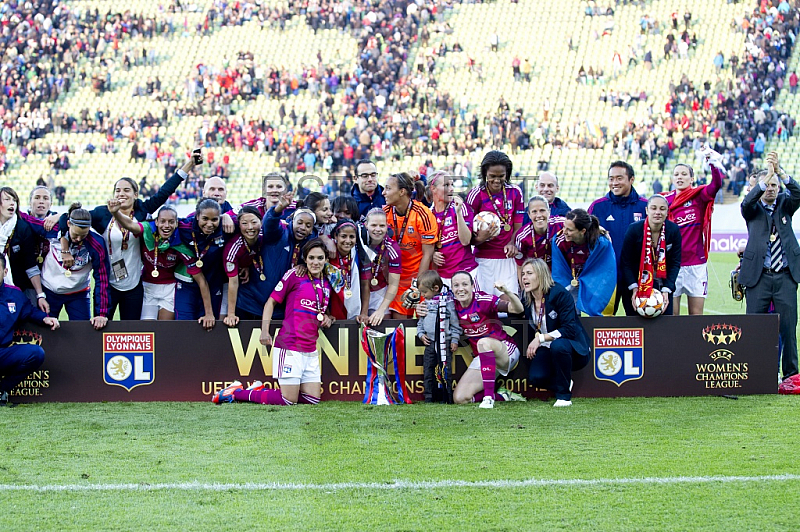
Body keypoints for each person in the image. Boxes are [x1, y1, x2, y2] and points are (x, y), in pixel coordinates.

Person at [45, 151, 198, 320]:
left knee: (131, 331)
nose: (121, 194)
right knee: (102, 327)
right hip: (107, 284)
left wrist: (189, 164)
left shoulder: (143, 210)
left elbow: (166, 190)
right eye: (117, 190)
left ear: (135, 194)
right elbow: (70, 218)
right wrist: (58, 221)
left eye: (126, 190)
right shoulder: (101, 213)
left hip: (133, 285)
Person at [212, 239, 334, 405]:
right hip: (290, 346)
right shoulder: (294, 275)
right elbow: (271, 302)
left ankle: (258, 391)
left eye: (320, 258)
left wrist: (327, 317)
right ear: (305, 259)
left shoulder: (326, 283)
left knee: (312, 399)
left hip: (310, 349)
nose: (315, 262)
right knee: (288, 400)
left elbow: (320, 311)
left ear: (325, 259)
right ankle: (237, 393)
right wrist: (264, 330)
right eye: (311, 258)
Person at [739, 152, 800, 380]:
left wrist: (780, 172)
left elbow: (798, 192)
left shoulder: (786, 205)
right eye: (768, 185)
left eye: (775, 185)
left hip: (785, 275)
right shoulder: (752, 209)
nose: (772, 189)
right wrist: (766, 177)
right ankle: (756, 373)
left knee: (788, 327)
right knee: (754, 328)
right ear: (761, 187)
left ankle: (791, 375)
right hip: (759, 276)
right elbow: (746, 202)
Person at [108, 202, 211, 324]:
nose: (166, 226)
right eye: (162, 221)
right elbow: (130, 225)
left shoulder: (180, 244)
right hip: (147, 288)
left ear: (176, 223)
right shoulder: (147, 231)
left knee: (164, 329)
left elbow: (201, 280)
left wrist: (209, 313)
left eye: (171, 222)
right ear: (156, 222)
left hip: (169, 289)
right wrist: (115, 212)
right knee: (148, 330)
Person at [235, 191, 317, 321]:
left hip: (279, 310)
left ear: (312, 229)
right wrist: (279, 208)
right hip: (249, 304)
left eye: (308, 226)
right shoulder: (280, 232)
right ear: (292, 220)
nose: (303, 228)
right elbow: (269, 224)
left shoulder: (309, 245)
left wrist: (304, 265)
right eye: (299, 222)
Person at [662, 148, 724, 315]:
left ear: (692, 178)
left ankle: (694, 342)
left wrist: (713, 164)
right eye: (676, 174)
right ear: (672, 179)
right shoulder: (663, 200)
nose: (680, 177)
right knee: (671, 318)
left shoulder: (698, 196)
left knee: (696, 318)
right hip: (672, 264)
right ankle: (674, 343)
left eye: (684, 174)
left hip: (696, 265)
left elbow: (716, 185)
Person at [449, 271, 525, 408]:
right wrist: (420, 307)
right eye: (456, 285)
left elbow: (518, 309)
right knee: (460, 398)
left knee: (483, 342)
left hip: (504, 350)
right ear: (452, 289)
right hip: (484, 357)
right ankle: (502, 396)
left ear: (473, 286)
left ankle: (488, 398)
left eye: (465, 284)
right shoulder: (452, 305)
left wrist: (507, 291)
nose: (460, 289)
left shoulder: (483, 300)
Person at [520, 258, 590, 407]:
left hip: (572, 347)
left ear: (541, 275)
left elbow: (569, 329)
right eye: (523, 274)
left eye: (529, 273)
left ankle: (564, 397)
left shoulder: (559, 294)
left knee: (558, 345)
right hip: (546, 347)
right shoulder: (526, 298)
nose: (524, 277)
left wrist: (540, 338)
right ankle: (562, 383)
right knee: (536, 378)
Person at [34, 203, 111, 329]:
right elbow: (30, 221)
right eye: (75, 235)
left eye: (84, 235)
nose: (79, 238)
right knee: (45, 332)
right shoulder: (53, 230)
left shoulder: (97, 244)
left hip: (78, 293)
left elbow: (102, 278)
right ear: (68, 224)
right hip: (50, 290)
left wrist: (101, 313)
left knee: (82, 333)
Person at [588, 160, 648, 315]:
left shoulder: (645, 206)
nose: (614, 182)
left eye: (619, 178)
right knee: (602, 326)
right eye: (611, 178)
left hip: (637, 279)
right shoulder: (598, 207)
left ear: (631, 179)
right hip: (606, 279)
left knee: (640, 323)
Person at [0, 253, 59, 407]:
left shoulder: (14, 295)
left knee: (35, 353)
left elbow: (30, 311)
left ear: (5, 272)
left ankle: (2, 390)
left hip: (3, 353)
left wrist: (44, 318)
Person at [466, 150, 525, 297]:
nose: (497, 180)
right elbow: (466, 236)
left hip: (507, 260)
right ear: (485, 172)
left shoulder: (515, 192)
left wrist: (512, 243)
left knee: (510, 305)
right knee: (485, 306)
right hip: (483, 260)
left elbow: (518, 226)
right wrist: (480, 238)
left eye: (501, 176)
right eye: (492, 176)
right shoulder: (476, 194)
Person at [382, 172, 437, 318]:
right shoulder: (384, 213)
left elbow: (428, 254)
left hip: (420, 279)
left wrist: (417, 286)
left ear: (402, 192)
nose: (383, 192)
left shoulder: (423, 214)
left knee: (423, 325)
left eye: (388, 188)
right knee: (399, 328)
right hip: (396, 279)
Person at [620, 195, 682, 316]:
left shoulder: (673, 230)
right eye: (653, 208)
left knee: (663, 327)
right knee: (637, 327)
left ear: (667, 211)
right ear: (647, 210)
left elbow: (675, 262)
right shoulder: (634, 230)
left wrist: (666, 290)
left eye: (662, 209)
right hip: (636, 284)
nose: (658, 212)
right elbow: (625, 262)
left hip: (662, 285)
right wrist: (634, 288)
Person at [173, 199, 228, 326]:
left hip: (213, 283)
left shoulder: (226, 230)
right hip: (187, 283)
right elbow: (159, 224)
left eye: (214, 219)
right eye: (205, 219)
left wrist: (246, 265)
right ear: (197, 216)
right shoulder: (183, 227)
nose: (209, 224)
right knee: (184, 325)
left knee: (209, 326)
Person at [552, 209, 617, 315]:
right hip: (569, 280)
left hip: (592, 281)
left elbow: (605, 270)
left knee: (595, 312)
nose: (564, 232)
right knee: (568, 314)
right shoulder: (559, 241)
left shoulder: (600, 242)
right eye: (564, 227)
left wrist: (585, 281)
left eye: (570, 230)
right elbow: (559, 269)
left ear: (582, 231)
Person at [0, 187, 49, 312]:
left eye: (15, 200)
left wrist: (40, 295)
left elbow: (30, 264)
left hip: (21, 286)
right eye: (7, 199)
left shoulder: (22, 228)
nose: (12, 203)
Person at [416, 270, 461, 403]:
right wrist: (421, 334)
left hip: (445, 342)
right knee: (428, 369)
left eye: (425, 292)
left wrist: (454, 339)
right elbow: (420, 322)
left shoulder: (448, 302)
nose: (423, 295)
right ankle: (429, 396)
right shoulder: (425, 303)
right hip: (430, 342)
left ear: (435, 288)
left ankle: (446, 396)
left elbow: (454, 322)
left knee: (445, 369)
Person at [428, 170, 477, 287]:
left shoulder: (461, 207)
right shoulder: (429, 214)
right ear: (433, 189)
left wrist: (458, 213)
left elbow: (465, 241)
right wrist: (433, 254)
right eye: (446, 185)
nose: (451, 189)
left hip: (467, 271)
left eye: (452, 185)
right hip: (443, 277)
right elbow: (426, 246)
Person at [221, 206, 265, 327]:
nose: (250, 227)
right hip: (225, 280)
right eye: (244, 223)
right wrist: (231, 314)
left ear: (261, 222)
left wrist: (247, 264)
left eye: (254, 222)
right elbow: (233, 282)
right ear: (239, 226)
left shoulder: (264, 236)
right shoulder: (233, 248)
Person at [362, 208, 401, 326]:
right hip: (359, 291)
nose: (378, 229)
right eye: (373, 225)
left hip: (380, 292)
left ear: (387, 226)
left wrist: (381, 310)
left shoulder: (392, 248)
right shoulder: (358, 242)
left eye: (382, 226)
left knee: (381, 324)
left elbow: (394, 284)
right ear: (366, 225)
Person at [328, 218, 369, 321]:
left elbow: (365, 285)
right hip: (331, 311)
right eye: (343, 236)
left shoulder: (360, 254)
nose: (348, 241)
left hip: (354, 312)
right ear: (335, 236)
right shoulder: (327, 253)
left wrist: (364, 313)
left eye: (352, 237)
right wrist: (326, 313)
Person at [516, 196, 564, 274]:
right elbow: (520, 266)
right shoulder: (522, 236)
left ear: (549, 211)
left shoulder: (561, 224)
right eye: (534, 211)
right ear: (529, 214)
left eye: (542, 210)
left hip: (559, 275)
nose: (538, 215)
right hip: (536, 277)